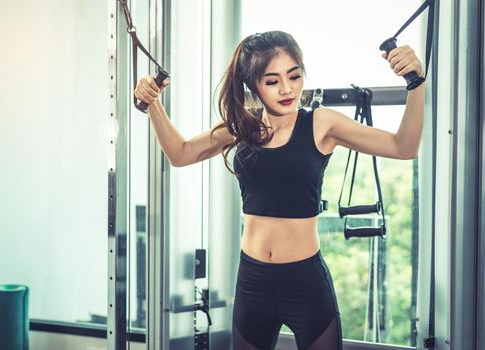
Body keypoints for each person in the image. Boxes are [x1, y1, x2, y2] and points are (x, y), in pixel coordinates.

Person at [135, 31, 424, 350]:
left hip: (305, 283)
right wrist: (152, 104)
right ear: (253, 85)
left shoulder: (321, 123)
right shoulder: (240, 128)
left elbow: (403, 147)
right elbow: (181, 153)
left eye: (294, 75)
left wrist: (415, 82)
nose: (287, 89)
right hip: (252, 282)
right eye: (272, 81)